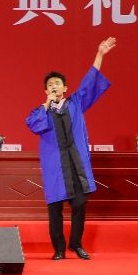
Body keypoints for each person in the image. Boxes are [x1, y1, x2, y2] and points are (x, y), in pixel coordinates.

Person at [25, 37, 117, 260]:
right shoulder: (41, 111)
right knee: (55, 209)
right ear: (45, 90)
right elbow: (34, 125)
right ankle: (58, 249)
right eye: (50, 85)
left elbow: (90, 81)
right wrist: (46, 103)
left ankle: (76, 244)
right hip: (56, 167)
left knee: (79, 204)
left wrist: (100, 54)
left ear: (65, 88)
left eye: (57, 83)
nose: (54, 86)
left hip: (76, 164)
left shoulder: (76, 103)